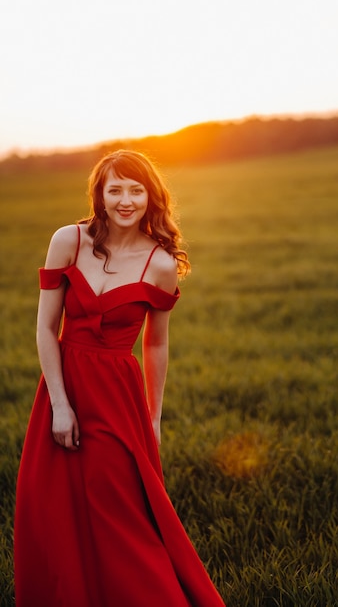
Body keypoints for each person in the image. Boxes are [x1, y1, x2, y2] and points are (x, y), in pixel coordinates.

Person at [14, 150, 225, 607]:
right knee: (54, 512)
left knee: (120, 517)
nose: (126, 199)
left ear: (151, 197)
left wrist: (152, 418)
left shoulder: (162, 264)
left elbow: (155, 344)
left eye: (136, 189)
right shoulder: (68, 241)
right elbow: (46, 329)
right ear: (100, 195)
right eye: (115, 189)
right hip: (61, 388)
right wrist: (62, 404)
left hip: (116, 398)